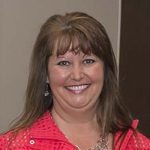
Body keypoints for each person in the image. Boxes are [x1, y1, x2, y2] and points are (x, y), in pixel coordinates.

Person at [0, 11, 150, 150]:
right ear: (45, 74)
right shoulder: (14, 145)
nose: (77, 75)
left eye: (88, 61)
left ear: (105, 69)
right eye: (64, 63)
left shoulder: (138, 145)